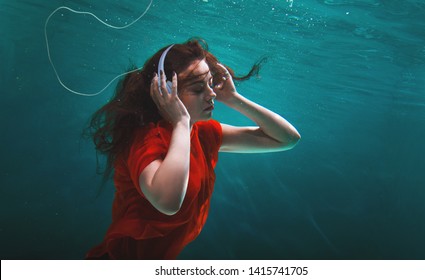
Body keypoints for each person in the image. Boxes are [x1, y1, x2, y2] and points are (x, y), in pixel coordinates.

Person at [86, 38, 300, 259]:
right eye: (199, 88)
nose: (212, 94)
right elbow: (168, 202)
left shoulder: (200, 133)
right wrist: (180, 123)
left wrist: (235, 99)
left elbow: (287, 139)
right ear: (165, 91)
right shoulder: (146, 141)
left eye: (210, 83)